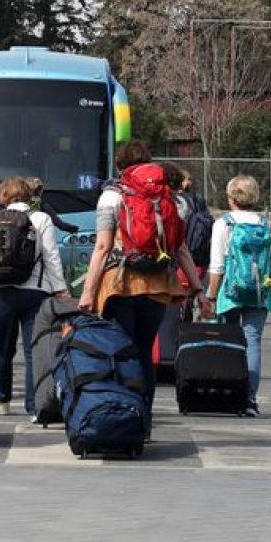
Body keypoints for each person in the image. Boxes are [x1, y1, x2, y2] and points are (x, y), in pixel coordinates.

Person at [80, 140, 204, 430]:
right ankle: (144, 419)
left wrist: (87, 292)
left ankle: (126, 415)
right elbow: (181, 249)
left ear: (120, 166)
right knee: (145, 351)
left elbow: (102, 247)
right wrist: (198, 289)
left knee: (122, 350)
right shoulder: (171, 200)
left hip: (121, 284)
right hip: (160, 285)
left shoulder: (112, 196)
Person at [0, 176, 68, 421]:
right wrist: (60, 289)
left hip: (0, 292)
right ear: (28, 195)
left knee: (2, 348)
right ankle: (35, 406)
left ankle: (1, 398)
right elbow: (51, 257)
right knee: (34, 349)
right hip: (35, 292)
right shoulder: (41, 219)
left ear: (4, 197)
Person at [205, 175, 271, 417]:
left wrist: (210, 297)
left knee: (229, 342)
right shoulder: (263, 223)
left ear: (231, 197)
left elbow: (217, 267)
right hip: (260, 292)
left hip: (230, 292)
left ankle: (228, 395)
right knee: (253, 342)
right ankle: (249, 400)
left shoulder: (223, 224)